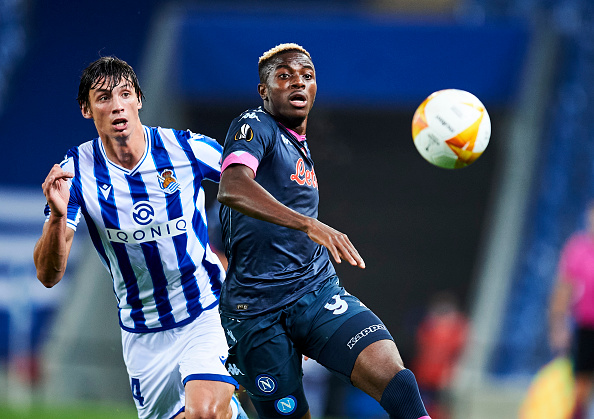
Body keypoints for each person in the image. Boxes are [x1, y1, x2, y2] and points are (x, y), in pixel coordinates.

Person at [217, 43, 431, 419]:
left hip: (314, 291)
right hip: (256, 310)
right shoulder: (255, 124)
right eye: (284, 76)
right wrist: (309, 224)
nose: (298, 82)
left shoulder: (297, 142)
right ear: (263, 91)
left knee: (395, 380)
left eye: (307, 76)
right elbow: (233, 186)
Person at [33, 56, 247, 419]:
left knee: (204, 414)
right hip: (143, 335)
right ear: (86, 110)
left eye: (124, 94)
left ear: (139, 100)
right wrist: (56, 216)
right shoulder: (76, 173)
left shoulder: (185, 149)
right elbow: (48, 275)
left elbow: (250, 184)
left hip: (206, 312)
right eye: (103, 97)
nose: (117, 105)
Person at [549, 200, 594, 419]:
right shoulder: (578, 248)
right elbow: (564, 289)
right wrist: (558, 326)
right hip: (585, 327)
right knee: (580, 386)